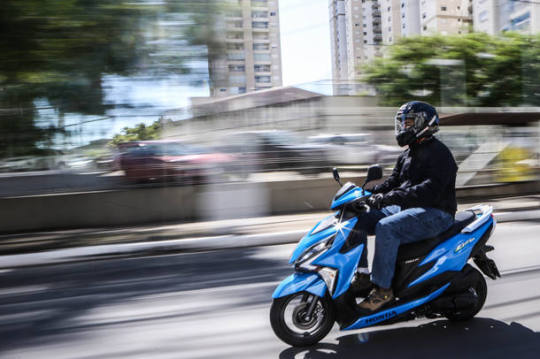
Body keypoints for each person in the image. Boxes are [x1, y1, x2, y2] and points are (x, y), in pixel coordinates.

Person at [349, 101, 458, 313]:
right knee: (358, 218)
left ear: (425, 124)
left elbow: (429, 190)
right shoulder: (407, 154)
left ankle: (383, 291)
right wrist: (366, 194)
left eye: (409, 122)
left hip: (436, 212)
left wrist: (389, 198)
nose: (403, 128)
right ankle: (362, 276)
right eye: (402, 123)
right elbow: (393, 182)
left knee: (387, 227)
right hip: (409, 209)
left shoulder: (440, 153)